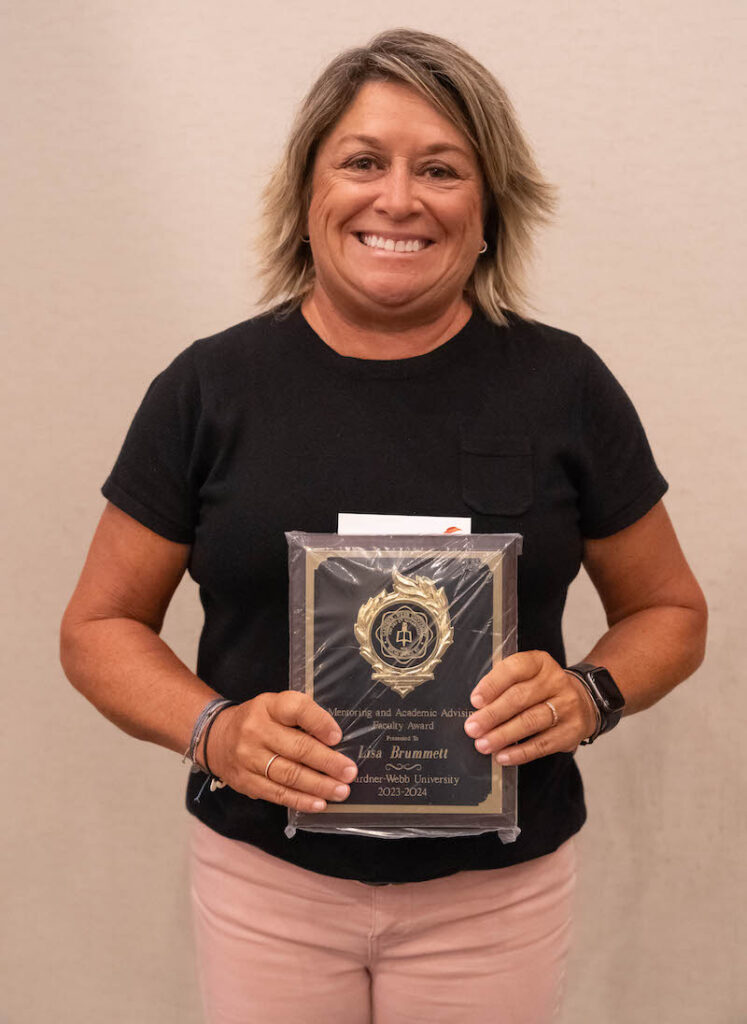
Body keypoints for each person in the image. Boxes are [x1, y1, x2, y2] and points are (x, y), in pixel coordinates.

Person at [59, 28, 707, 1024]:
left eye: (441, 169)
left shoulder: (564, 386)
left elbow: (670, 608)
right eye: (362, 162)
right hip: (267, 878)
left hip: (497, 890)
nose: (399, 199)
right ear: (309, 193)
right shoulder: (209, 388)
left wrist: (589, 694)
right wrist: (214, 731)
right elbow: (97, 627)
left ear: (488, 210)